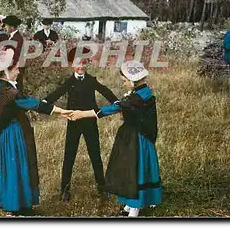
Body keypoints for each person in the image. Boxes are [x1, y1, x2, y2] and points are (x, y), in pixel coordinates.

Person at [70, 61, 163, 218]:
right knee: (130, 168)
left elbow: (114, 108)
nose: (124, 83)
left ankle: (135, 206)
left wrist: (82, 114)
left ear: (132, 80)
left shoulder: (137, 98)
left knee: (134, 169)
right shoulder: (144, 92)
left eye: (125, 80)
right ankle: (131, 203)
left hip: (136, 138)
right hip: (139, 135)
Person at [0, 49, 72, 216]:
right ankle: (14, 207)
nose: (19, 71)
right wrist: (60, 111)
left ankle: (20, 204)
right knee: (16, 166)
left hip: (6, 132)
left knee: (15, 166)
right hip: (14, 133)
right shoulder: (8, 92)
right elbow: (32, 103)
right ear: (6, 71)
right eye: (16, 69)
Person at [44, 47, 119, 202]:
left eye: (83, 63)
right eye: (77, 63)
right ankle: (65, 189)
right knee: (69, 154)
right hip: (73, 122)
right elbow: (57, 92)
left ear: (87, 63)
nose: (81, 66)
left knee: (95, 154)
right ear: (72, 64)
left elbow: (104, 90)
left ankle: (102, 187)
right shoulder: (69, 81)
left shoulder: (91, 80)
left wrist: (116, 101)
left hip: (90, 122)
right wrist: (44, 103)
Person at [1, 15, 25, 91]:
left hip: (13, 69)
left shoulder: (17, 38)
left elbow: (14, 55)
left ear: (12, 27)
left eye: (6, 26)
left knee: (14, 90)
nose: (5, 27)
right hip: (11, 68)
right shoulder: (12, 37)